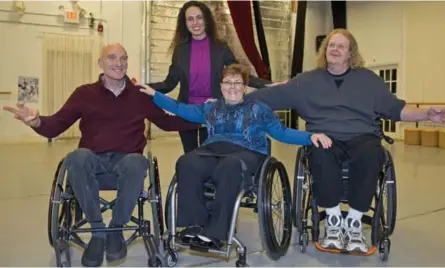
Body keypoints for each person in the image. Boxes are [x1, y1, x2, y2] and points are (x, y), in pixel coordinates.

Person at [246, 28, 445, 253]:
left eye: (340, 46)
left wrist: (426, 115)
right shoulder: (306, 82)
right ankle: (334, 222)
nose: (334, 49)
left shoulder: (368, 80)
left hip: (361, 136)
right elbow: (271, 96)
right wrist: (233, 99)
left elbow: (396, 109)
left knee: (371, 153)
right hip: (325, 136)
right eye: (331, 45)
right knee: (319, 150)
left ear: (350, 54)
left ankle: (354, 222)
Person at [3, 43, 196, 267]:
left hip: (127, 163)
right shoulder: (85, 94)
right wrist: (36, 121)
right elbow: (55, 125)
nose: (119, 63)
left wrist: (205, 117)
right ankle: (97, 231)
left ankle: (115, 230)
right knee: (77, 157)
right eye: (112, 58)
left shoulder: (140, 95)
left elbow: (168, 122)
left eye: (123, 58)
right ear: (100, 63)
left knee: (137, 162)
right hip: (93, 163)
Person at [138, 64, 332, 250]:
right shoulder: (211, 108)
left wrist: (310, 137)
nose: (232, 87)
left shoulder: (259, 109)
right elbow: (181, 109)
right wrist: (155, 94)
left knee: (230, 166)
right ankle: (193, 226)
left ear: (245, 87)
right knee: (187, 162)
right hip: (212, 151)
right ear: (221, 87)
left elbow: (281, 133)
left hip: (248, 152)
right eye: (228, 82)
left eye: (237, 82)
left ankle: (216, 233)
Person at [147, 0, 271, 154]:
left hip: (214, 112)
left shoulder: (220, 47)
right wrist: (144, 88)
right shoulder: (180, 51)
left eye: (199, 17)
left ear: (206, 19)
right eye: (190, 19)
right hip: (187, 112)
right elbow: (169, 83)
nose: (195, 23)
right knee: (191, 157)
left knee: (212, 156)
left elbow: (240, 74)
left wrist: (268, 85)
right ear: (184, 23)